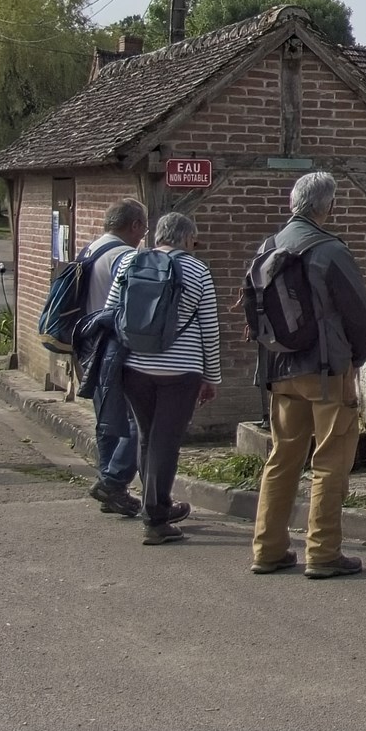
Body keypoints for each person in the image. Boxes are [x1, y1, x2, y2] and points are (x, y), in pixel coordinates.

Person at [247, 171, 366, 581]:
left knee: (282, 458)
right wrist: (355, 360)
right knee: (330, 462)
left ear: (293, 204)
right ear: (329, 207)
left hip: (280, 367)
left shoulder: (267, 247)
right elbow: (362, 315)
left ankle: (267, 549)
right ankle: (322, 553)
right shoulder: (330, 251)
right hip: (326, 371)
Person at [113, 210, 219, 545]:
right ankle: (156, 518)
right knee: (165, 442)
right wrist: (211, 376)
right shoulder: (198, 270)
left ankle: (154, 505)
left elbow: (111, 312)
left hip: (135, 367)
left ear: (158, 235)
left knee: (147, 437)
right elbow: (209, 329)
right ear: (188, 238)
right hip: (181, 370)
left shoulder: (130, 263)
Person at [71, 199, 152, 515]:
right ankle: (112, 482)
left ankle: (110, 486)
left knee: (106, 421)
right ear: (134, 226)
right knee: (136, 419)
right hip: (117, 345)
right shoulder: (126, 256)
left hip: (90, 343)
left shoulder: (90, 250)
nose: (143, 234)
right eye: (143, 227)